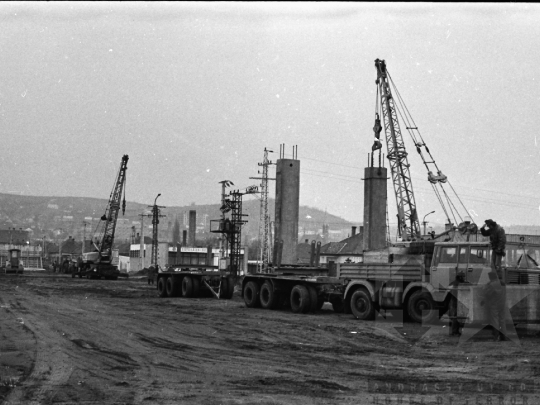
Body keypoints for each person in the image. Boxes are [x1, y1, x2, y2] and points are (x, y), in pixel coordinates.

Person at [481, 271, 508, 341]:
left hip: (494, 305)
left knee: (495, 321)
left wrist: (486, 286)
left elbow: (487, 294)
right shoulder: (502, 283)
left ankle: (496, 337)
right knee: (502, 320)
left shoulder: (492, 284)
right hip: (502, 304)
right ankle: (504, 337)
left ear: (490, 277)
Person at [448, 272, 465, 336]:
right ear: (460, 277)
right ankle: (454, 332)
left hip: (453, 301)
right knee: (456, 316)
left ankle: (456, 331)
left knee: (456, 316)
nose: (464, 278)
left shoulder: (453, 283)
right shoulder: (458, 284)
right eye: (463, 277)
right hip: (456, 301)